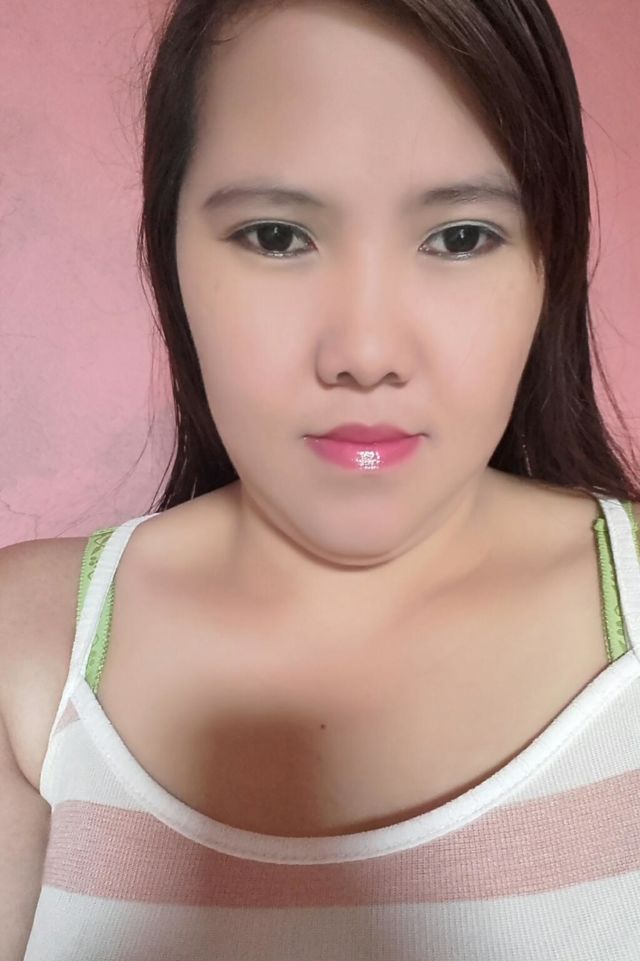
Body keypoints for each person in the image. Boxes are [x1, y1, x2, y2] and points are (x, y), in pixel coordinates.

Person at [2, 0, 640, 957]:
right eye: (276, 236)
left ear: (553, 259)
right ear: (169, 251)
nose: (366, 353)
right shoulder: (27, 655)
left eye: (461, 237)